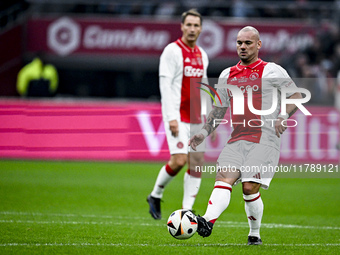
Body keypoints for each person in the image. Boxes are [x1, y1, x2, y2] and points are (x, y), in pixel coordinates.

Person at [189, 26, 303, 245]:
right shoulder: (226, 74)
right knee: (223, 179)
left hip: (265, 139)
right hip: (237, 139)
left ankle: (255, 233)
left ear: (258, 45)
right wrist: (203, 133)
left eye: (248, 43)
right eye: (239, 42)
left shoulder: (272, 71)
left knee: (249, 187)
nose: (242, 46)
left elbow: (295, 95)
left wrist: (282, 115)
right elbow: (219, 110)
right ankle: (207, 222)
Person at [147, 9, 215, 220]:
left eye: (196, 25)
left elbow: (203, 86)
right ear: (182, 26)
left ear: (201, 29)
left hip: (196, 117)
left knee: (196, 162)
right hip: (177, 116)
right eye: (189, 25)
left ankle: (187, 211)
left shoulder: (202, 55)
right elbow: (165, 86)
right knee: (178, 161)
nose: (193, 29)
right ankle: (155, 194)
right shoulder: (172, 51)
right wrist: (171, 118)